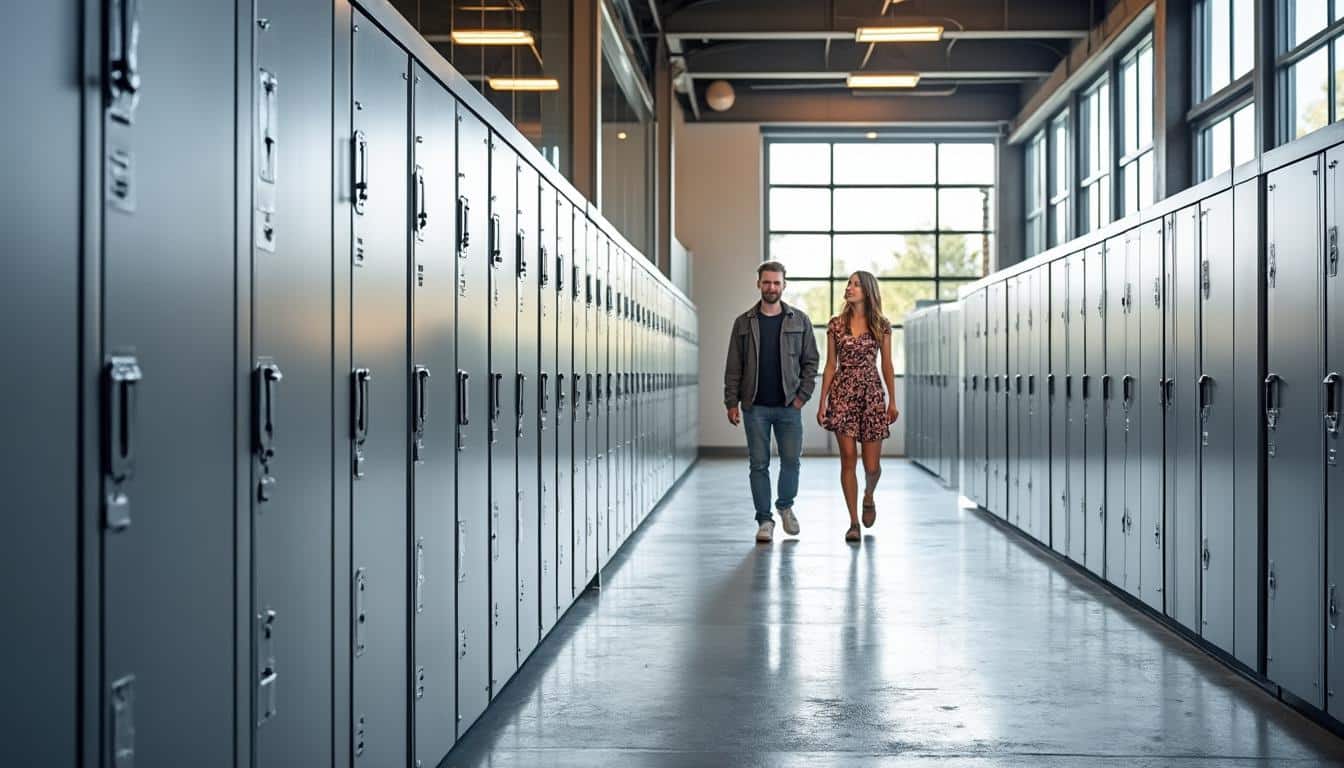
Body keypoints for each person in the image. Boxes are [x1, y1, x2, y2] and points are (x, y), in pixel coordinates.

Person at [723, 262, 821, 543]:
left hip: (789, 405)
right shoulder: (743, 323)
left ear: (784, 285)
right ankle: (764, 521)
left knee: (791, 461)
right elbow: (734, 366)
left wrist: (802, 397)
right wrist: (731, 401)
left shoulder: (799, 320)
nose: (771, 288)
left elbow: (811, 361)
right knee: (759, 464)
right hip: (755, 407)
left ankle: (785, 505)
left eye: (776, 283)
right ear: (758, 284)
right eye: (766, 283)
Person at [816, 271, 899, 542]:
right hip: (842, 394)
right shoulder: (835, 325)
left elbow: (887, 365)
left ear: (867, 291)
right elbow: (830, 366)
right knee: (848, 458)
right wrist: (822, 401)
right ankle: (853, 522)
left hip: (872, 395)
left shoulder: (882, 325)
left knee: (872, 465)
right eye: (848, 284)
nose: (849, 288)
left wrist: (893, 401)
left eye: (855, 285)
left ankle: (869, 494)